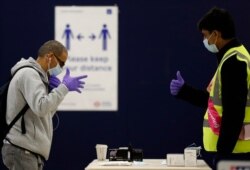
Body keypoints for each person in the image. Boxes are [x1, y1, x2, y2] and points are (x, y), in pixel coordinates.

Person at [170, 7, 250, 170]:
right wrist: (184, 91)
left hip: (235, 152)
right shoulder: (230, 58)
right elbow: (213, 102)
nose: (204, 40)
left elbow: (234, 111)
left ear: (216, 34)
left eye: (205, 35)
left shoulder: (234, 62)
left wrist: (223, 154)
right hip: (234, 149)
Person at [1, 40, 87, 170]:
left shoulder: (39, 77)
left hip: (29, 151)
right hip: (22, 150)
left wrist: (56, 92)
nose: (62, 68)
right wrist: (63, 88)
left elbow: (45, 114)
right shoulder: (29, 74)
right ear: (50, 56)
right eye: (61, 62)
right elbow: (41, 108)